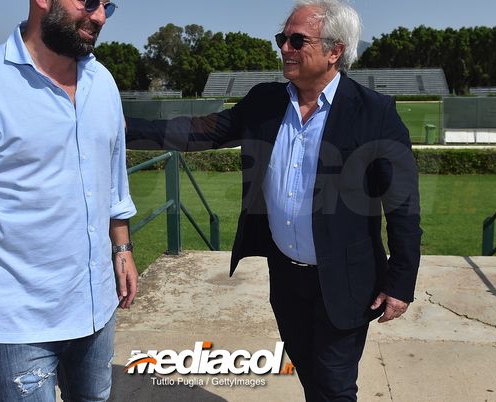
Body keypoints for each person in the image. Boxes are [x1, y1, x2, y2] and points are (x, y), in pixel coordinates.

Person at [125, 0, 421, 400]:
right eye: (282, 38)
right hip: (286, 277)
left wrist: (400, 282)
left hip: (346, 280)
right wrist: (121, 126)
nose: (284, 48)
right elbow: (201, 131)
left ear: (335, 50)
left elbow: (402, 204)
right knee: (310, 374)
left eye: (297, 40)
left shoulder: (374, 112)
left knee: (335, 385)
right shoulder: (266, 101)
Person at [0, 0, 138, 400]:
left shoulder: (102, 81)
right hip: (18, 325)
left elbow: (113, 179)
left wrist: (122, 247)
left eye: (109, 5)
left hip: (96, 309)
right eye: (89, 2)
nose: (100, 16)